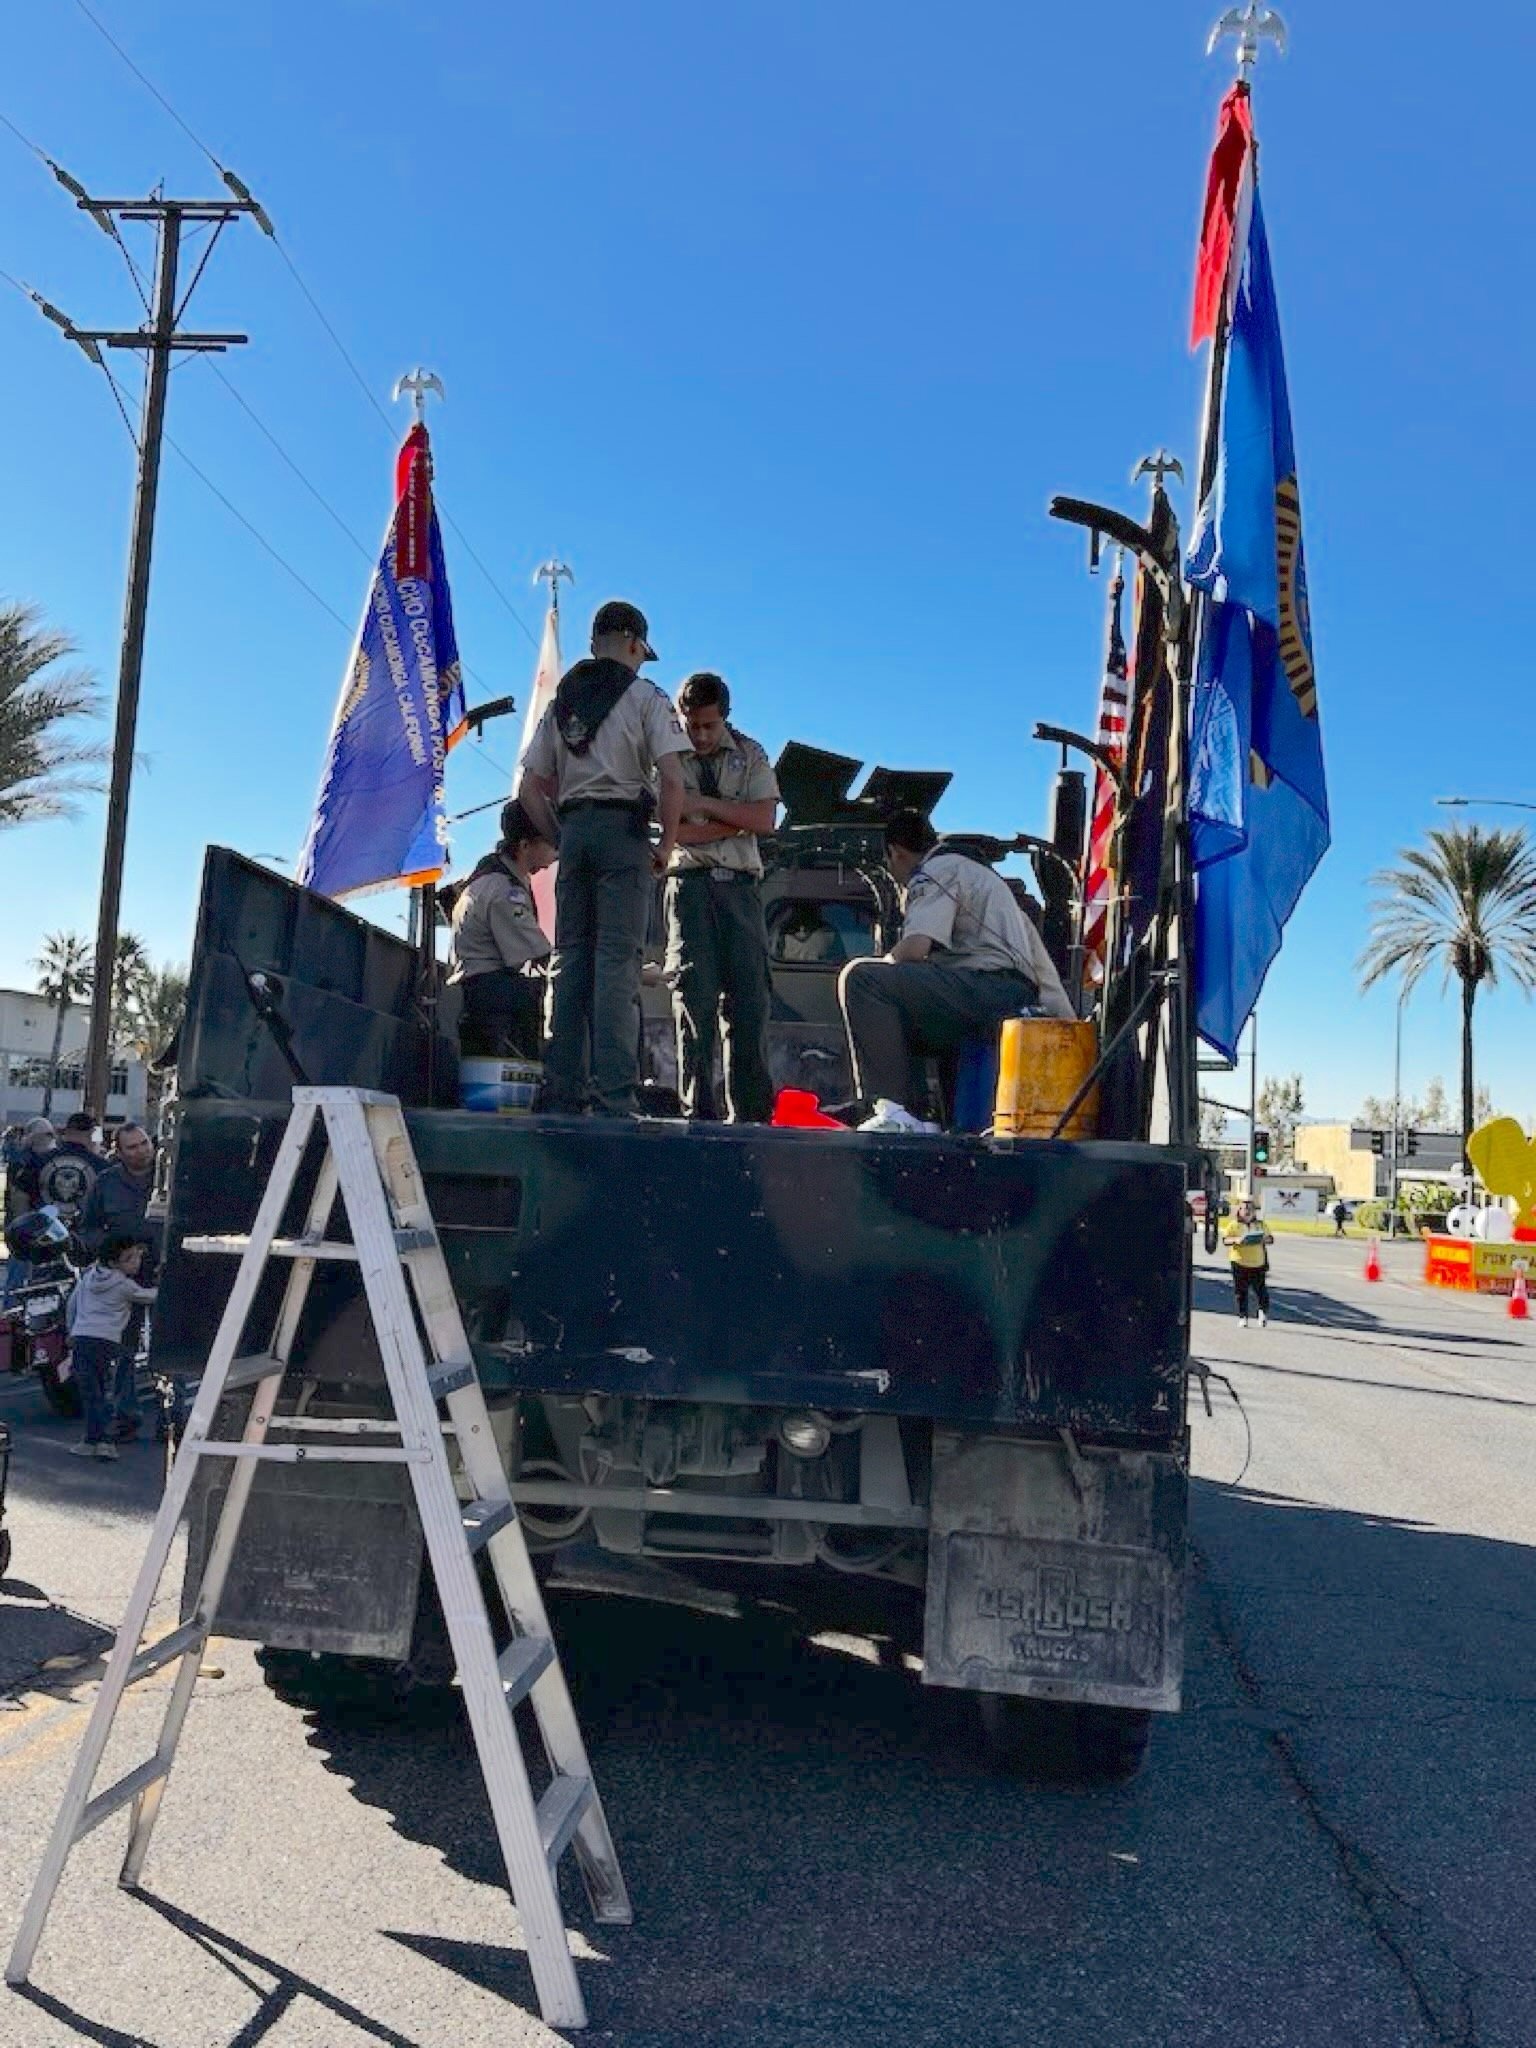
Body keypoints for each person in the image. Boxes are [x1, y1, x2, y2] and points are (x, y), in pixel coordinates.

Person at [519, 600, 689, 1115]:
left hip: (576, 834)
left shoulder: (562, 701)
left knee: (569, 961)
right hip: (624, 833)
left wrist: (562, 835)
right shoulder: (645, 697)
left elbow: (529, 789)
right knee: (617, 963)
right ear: (635, 645)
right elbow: (674, 780)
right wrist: (665, 845)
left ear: (595, 644)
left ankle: (562, 1090)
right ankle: (615, 1095)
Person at [838, 809, 1075, 1132]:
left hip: (990, 990)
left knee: (864, 980)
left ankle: (894, 1112)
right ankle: (928, 1117)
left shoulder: (935, 870)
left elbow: (917, 947)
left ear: (896, 852)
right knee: (914, 1009)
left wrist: (886, 963)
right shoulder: (979, 875)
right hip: (1011, 993)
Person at [664, 671, 780, 1122]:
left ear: (725, 719)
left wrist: (706, 806)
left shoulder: (750, 754)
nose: (700, 735)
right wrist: (736, 821)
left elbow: (765, 819)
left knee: (749, 1002)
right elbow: (671, 830)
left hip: (740, 890)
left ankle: (751, 1114)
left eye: (709, 726)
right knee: (694, 1001)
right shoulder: (667, 759)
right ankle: (698, 1112)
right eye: (691, 725)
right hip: (689, 889)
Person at [445, 799, 558, 1059]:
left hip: (473, 990)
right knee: (555, 996)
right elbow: (540, 956)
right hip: (489, 991)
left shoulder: (483, 880)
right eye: (550, 845)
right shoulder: (504, 892)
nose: (555, 856)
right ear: (525, 845)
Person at [77, 1122, 159, 1439]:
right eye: (133, 1147)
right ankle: (127, 1416)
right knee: (124, 1349)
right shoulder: (106, 1183)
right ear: (120, 1151)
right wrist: (113, 1254)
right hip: (124, 1278)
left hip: (166, 1272)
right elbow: (90, 1228)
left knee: (171, 1345)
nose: (141, 1150)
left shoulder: (171, 1175)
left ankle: (176, 1417)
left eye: (144, 1143)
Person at [65, 1231, 157, 1460]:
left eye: (137, 1256)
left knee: (90, 1393)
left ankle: (90, 1440)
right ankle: (105, 1442)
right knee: (105, 1393)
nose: (137, 1262)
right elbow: (148, 1296)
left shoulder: (88, 1279)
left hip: (82, 1339)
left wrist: (71, 1331)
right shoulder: (124, 1285)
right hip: (107, 1342)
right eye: (130, 1258)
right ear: (114, 1263)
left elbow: (72, 1305)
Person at [30, 1112, 103, 1228]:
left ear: (66, 1131)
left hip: (42, 1231)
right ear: (91, 1133)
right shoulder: (100, 1166)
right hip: (83, 1235)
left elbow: (22, 1198)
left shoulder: (39, 1161)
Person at [1223, 1199, 1274, 1327]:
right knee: (1241, 1292)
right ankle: (1243, 1316)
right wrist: (1237, 1240)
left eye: (1250, 1209)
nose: (1247, 1212)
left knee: (1261, 1291)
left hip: (1258, 1263)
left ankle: (1263, 1312)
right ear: (1239, 1211)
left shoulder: (1260, 1225)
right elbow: (1225, 1240)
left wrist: (1263, 1239)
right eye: (1244, 1209)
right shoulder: (1233, 1225)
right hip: (1239, 1262)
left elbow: (1270, 1239)